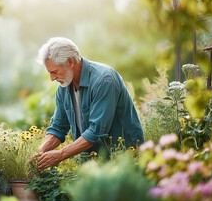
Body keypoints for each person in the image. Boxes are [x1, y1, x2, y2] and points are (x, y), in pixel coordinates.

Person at [35, 37, 144, 171]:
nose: (52, 78)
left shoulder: (104, 80)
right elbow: (58, 127)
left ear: (70, 62)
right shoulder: (63, 88)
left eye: (54, 72)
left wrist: (60, 154)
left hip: (123, 161)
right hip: (93, 165)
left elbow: (96, 132)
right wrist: (40, 153)